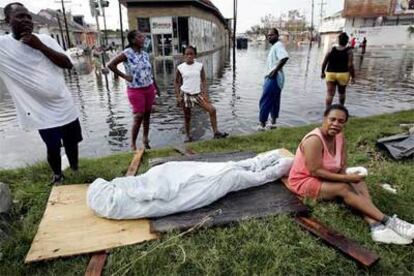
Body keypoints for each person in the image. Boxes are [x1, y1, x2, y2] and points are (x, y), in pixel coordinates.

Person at [287, 104, 414, 244]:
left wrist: (349, 179)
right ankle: (389, 222)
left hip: (324, 176)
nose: (336, 124)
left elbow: (342, 165)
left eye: (341, 121)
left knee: (357, 182)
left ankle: (376, 226)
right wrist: (346, 179)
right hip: (304, 180)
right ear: (324, 118)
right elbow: (315, 171)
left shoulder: (339, 137)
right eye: (332, 119)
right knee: (343, 188)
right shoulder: (314, 140)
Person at [0, 3, 82, 184]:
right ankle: (57, 175)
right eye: (20, 17)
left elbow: (67, 64)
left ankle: (76, 169)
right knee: (52, 146)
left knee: (72, 142)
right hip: (39, 111)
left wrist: (40, 46)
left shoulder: (45, 39)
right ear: (8, 21)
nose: (26, 21)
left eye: (28, 16)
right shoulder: (3, 47)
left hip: (64, 104)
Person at [87, 149, 293, 219]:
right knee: (230, 176)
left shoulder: (120, 188)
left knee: (224, 170)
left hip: (168, 178)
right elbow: (158, 197)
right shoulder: (120, 203)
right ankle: (271, 170)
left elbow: (145, 184)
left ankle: (260, 163)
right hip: (182, 192)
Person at [108, 30, 159, 150]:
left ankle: (145, 139)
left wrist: (156, 87)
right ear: (133, 40)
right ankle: (133, 144)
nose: (143, 38)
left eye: (143, 36)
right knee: (138, 115)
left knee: (147, 115)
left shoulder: (145, 54)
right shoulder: (127, 53)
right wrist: (125, 76)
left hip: (149, 88)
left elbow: (149, 72)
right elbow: (110, 65)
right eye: (140, 37)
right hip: (135, 89)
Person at [174, 46, 228, 142]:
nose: (189, 56)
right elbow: (176, 82)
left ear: (195, 55)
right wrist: (178, 96)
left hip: (197, 94)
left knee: (212, 110)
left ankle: (216, 132)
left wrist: (205, 94)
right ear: (184, 56)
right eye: (187, 54)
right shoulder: (180, 67)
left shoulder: (199, 66)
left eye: (191, 54)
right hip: (185, 94)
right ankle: (188, 135)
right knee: (187, 116)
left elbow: (203, 80)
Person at [258, 28, 289, 131]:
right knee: (274, 101)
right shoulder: (275, 47)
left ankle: (262, 125)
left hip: (274, 78)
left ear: (277, 35)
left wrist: (275, 70)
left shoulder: (278, 45)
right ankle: (273, 123)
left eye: (271, 35)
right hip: (277, 79)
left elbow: (284, 58)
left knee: (265, 100)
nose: (269, 37)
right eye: (268, 35)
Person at [321, 32, 355, 108]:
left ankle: (327, 111)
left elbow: (324, 62)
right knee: (342, 93)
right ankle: (341, 109)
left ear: (338, 40)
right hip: (343, 74)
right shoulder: (349, 51)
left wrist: (322, 72)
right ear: (346, 41)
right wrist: (353, 77)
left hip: (330, 74)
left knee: (330, 93)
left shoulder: (331, 49)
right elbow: (350, 65)